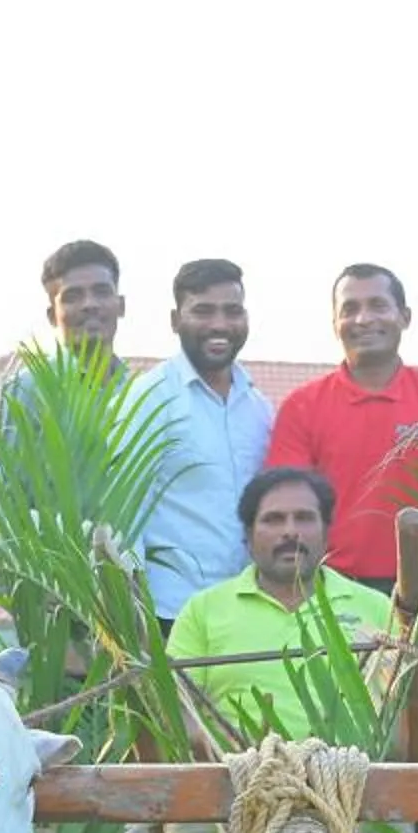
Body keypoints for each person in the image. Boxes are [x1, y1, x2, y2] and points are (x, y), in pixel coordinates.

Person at [263, 263, 418, 592]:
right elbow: (289, 513)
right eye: (350, 309)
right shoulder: (301, 407)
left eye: (378, 305)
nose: (363, 319)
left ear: (404, 316)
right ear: (335, 324)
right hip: (328, 595)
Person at [165, 467, 391, 740]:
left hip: (351, 778)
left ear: (326, 531)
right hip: (234, 776)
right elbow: (177, 709)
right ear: (248, 535)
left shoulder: (377, 608)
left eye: (304, 518)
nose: (290, 532)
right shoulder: (202, 611)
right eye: (273, 520)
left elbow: (399, 711)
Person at [129, 258, 274, 629]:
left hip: (249, 608)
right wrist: (134, 615)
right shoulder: (149, 398)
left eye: (232, 311)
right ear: (176, 320)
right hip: (170, 612)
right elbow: (125, 516)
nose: (220, 325)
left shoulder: (259, 407)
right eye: (203, 311)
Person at [37, 237, 125, 360]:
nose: (90, 304)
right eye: (72, 297)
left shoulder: (145, 379)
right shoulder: (26, 380)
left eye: (102, 292)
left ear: (121, 306)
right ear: (52, 316)